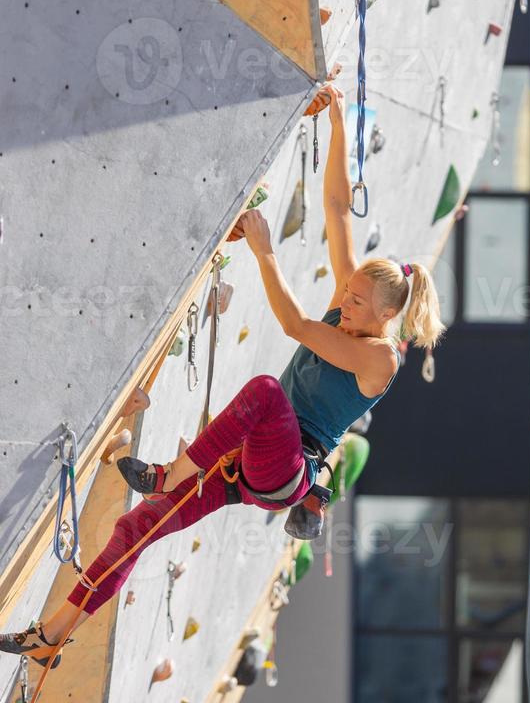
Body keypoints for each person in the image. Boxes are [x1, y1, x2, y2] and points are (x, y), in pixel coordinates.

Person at [0, 84, 446, 666]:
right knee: (135, 529)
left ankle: (166, 476)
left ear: (389, 316)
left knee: (264, 390)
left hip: (286, 469)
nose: (346, 298)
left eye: (359, 301)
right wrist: (339, 126)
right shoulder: (355, 302)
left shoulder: (380, 358)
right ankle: (52, 633)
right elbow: (336, 208)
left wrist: (264, 253)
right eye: (350, 289)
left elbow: (292, 326)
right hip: (245, 459)